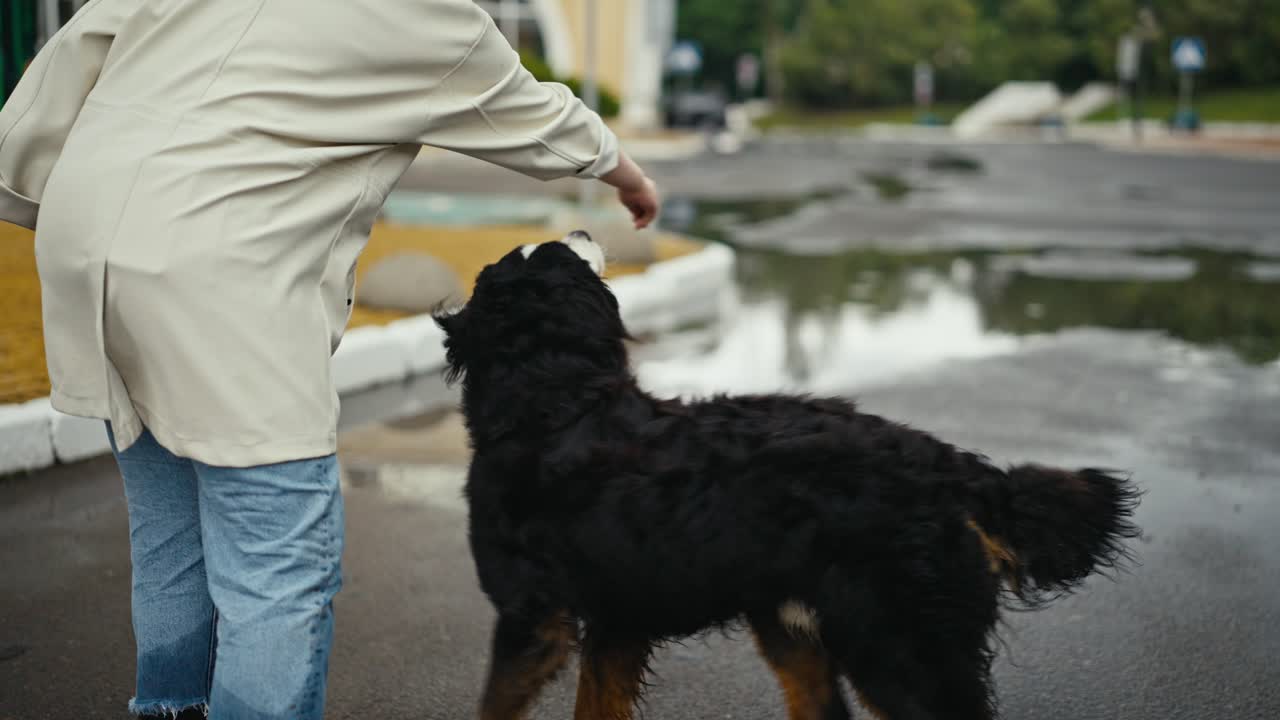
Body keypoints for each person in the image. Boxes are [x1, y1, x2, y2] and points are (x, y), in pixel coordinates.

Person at [0, 1, 660, 718]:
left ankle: (169, 707)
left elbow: (77, 47)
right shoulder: (426, 11)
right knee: (276, 570)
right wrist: (624, 173)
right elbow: (528, 111)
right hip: (219, 269)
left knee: (169, 536)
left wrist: (32, 184)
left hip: (88, 244)